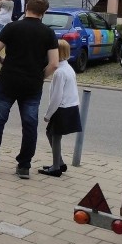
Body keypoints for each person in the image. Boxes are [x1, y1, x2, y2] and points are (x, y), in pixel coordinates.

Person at [0, 0, 59, 180]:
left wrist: (4, 63)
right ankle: (24, 166)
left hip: (7, 82)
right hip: (32, 85)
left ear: (26, 9)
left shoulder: (12, 27)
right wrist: (40, 76)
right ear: (44, 13)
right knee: (30, 125)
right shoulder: (48, 33)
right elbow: (54, 64)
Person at [40, 39, 81, 177]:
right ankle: (60, 162)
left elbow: (57, 96)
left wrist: (48, 114)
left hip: (62, 108)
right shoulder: (68, 68)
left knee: (55, 136)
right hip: (71, 106)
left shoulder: (59, 73)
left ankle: (56, 167)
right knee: (51, 134)